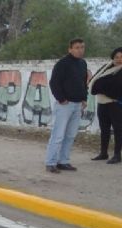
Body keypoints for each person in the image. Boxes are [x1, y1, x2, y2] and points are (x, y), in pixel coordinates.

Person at [45, 38, 89, 173]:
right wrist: (61, 99)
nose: (80, 50)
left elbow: (83, 83)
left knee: (70, 135)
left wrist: (84, 98)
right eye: (77, 47)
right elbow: (54, 83)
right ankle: (50, 162)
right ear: (70, 49)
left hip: (77, 104)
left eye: (82, 47)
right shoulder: (62, 63)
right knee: (58, 135)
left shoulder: (83, 63)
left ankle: (63, 161)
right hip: (65, 104)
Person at [88, 47, 122, 164]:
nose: (119, 59)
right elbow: (94, 80)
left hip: (115, 104)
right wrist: (100, 86)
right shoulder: (106, 67)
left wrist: (99, 86)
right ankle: (103, 153)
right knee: (104, 129)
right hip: (101, 103)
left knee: (118, 130)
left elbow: (116, 87)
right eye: (117, 57)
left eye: (121, 57)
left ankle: (117, 155)